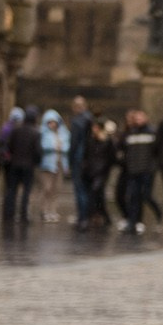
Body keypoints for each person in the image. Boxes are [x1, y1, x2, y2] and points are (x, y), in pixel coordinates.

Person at [2, 106, 42, 225]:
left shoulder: (16, 130)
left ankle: (9, 213)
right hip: (28, 165)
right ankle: (24, 214)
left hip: (15, 164)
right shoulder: (36, 133)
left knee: (12, 190)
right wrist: (36, 162)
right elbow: (38, 151)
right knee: (26, 191)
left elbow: (9, 146)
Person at [120, 110, 157, 234]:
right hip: (133, 170)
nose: (138, 120)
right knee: (133, 197)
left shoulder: (152, 132)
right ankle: (133, 222)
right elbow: (122, 148)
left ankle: (159, 215)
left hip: (146, 170)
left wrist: (152, 167)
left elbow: (156, 152)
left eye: (141, 117)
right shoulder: (130, 133)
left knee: (146, 196)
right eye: (136, 118)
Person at [82, 115, 116, 227]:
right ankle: (104, 216)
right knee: (98, 195)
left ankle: (88, 216)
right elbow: (86, 155)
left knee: (95, 192)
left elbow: (111, 157)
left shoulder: (107, 141)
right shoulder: (90, 140)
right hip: (91, 171)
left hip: (101, 171)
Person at [38, 109, 70, 221]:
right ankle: (44, 209)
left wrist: (62, 147)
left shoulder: (63, 133)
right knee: (47, 188)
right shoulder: (43, 133)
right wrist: (54, 147)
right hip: (47, 165)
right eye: (50, 122)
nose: (52, 124)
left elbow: (67, 146)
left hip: (59, 164)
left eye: (54, 122)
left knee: (56, 189)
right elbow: (42, 146)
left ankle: (53, 210)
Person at [69, 96, 93, 230]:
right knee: (87, 190)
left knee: (80, 189)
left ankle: (82, 218)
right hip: (91, 160)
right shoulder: (91, 119)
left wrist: (70, 160)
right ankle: (87, 217)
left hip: (79, 158)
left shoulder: (77, 121)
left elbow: (74, 143)